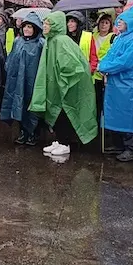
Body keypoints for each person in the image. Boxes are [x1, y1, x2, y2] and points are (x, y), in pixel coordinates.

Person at [30, 11, 98, 157]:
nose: (44, 26)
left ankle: (65, 143)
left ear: (56, 26)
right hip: (57, 85)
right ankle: (59, 140)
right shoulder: (52, 40)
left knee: (64, 112)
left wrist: (62, 83)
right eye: (45, 23)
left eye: (48, 23)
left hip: (64, 87)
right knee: (56, 112)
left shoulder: (61, 41)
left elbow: (73, 66)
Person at [98, 8, 133, 162]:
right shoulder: (120, 38)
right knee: (118, 114)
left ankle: (131, 148)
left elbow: (126, 61)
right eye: (119, 20)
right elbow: (110, 55)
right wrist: (104, 65)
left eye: (123, 21)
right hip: (119, 84)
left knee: (130, 116)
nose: (119, 23)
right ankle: (120, 145)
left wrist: (104, 67)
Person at [1, 12, 45, 146]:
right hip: (17, 81)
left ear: (36, 28)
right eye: (25, 26)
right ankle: (22, 132)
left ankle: (33, 133)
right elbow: (10, 59)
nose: (26, 29)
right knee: (18, 105)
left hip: (33, 81)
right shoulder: (17, 41)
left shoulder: (41, 44)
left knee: (32, 106)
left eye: (30, 27)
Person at [92, 10, 116, 118]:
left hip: (105, 75)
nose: (103, 25)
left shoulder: (113, 38)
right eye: (102, 22)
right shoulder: (92, 36)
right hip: (93, 74)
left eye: (106, 23)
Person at [66, 11, 99, 75]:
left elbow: (93, 57)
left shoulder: (88, 36)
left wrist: (90, 70)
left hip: (85, 74)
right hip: (70, 74)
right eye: (68, 21)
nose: (69, 24)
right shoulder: (65, 37)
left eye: (72, 21)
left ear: (78, 23)